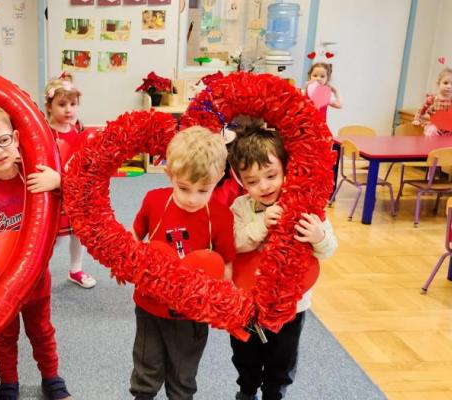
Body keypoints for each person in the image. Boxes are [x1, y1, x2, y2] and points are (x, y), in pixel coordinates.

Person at [0, 101, 73, 400]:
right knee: (4, 335)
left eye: (3, 140)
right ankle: (8, 384)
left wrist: (59, 182)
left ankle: (52, 378)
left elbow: (76, 201)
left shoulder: (36, 175)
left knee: (41, 331)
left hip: (37, 277)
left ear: (16, 138)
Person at [227, 117, 338, 400]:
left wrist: (317, 236)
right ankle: (247, 391)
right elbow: (233, 244)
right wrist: (261, 224)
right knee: (245, 353)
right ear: (241, 181)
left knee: (282, 358)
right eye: (252, 181)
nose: (264, 186)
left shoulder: (305, 205)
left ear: (286, 170)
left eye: (271, 176)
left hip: (292, 305)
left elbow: (328, 249)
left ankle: (274, 393)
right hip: (248, 301)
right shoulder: (241, 206)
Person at [130, 126, 236, 400]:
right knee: (146, 371)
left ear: (219, 178)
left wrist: (218, 297)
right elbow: (134, 237)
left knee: (183, 378)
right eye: (184, 188)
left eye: (203, 190)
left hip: (192, 314)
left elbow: (226, 265)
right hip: (150, 306)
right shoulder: (154, 201)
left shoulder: (221, 217)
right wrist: (129, 262)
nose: (192, 198)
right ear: (170, 175)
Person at [44, 74, 96, 289]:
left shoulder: (79, 130)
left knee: (78, 234)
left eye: (73, 104)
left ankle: (76, 269)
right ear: (49, 107)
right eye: (62, 104)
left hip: (76, 193)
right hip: (53, 193)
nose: (69, 110)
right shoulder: (45, 133)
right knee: (52, 237)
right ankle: (38, 271)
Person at [413, 67, 452, 136]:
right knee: (431, 131)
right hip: (435, 126)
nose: (449, 86)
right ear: (438, 83)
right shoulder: (433, 98)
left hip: (449, 129)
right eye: (445, 83)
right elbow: (422, 109)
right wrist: (417, 119)